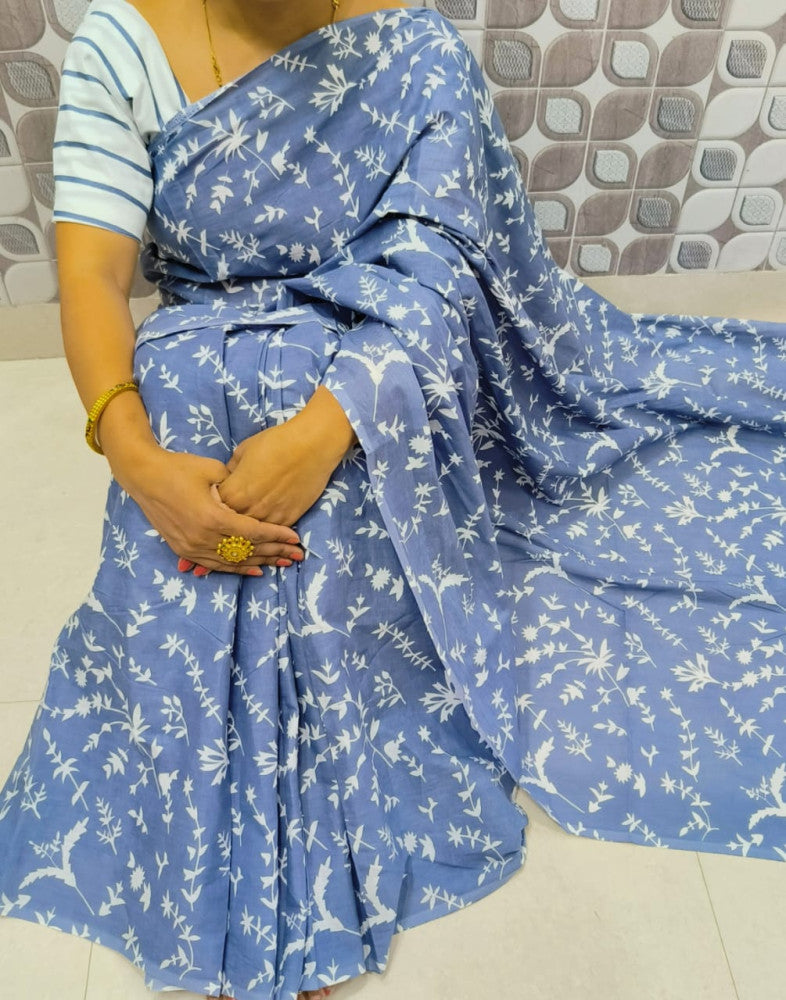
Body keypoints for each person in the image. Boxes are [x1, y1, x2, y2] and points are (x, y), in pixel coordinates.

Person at [0, 1, 784, 998]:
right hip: (197, 357)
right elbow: (93, 274)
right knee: (185, 534)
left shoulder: (410, 46)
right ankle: (239, 870)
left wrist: (325, 431)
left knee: (327, 535)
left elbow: (438, 273)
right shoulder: (121, 41)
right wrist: (135, 458)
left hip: (370, 355)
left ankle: (294, 880)